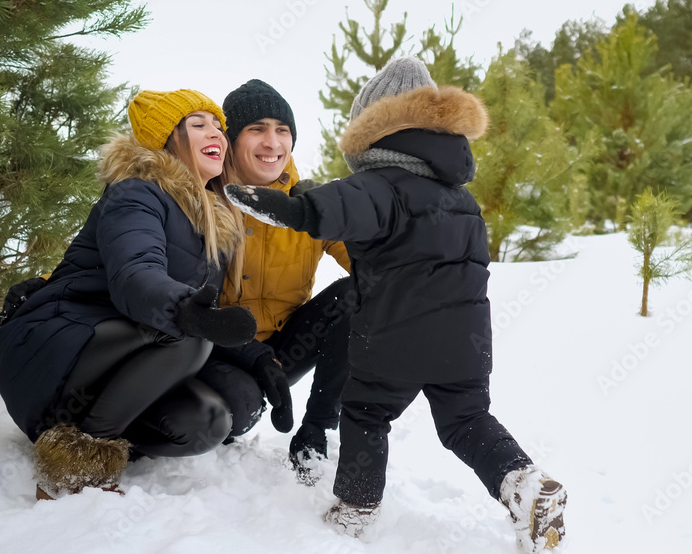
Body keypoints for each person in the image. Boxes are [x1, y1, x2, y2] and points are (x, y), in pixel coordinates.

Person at [224, 58, 568, 553]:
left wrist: (288, 206)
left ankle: (355, 508)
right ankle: (526, 485)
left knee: (366, 411)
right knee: (466, 420)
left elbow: (332, 211)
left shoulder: (379, 185)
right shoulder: (461, 198)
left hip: (393, 336)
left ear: (377, 126)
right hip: (467, 341)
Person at [0, 89, 281, 500]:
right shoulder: (138, 191)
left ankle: (86, 426)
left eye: (218, 125)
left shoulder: (213, 223)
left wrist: (258, 358)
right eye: (198, 124)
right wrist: (188, 312)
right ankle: (75, 464)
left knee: (208, 423)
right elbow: (135, 276)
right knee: (188, 331)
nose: (215, 131)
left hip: (110, 363)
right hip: (57, 344)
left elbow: (206, 312)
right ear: (166, 139)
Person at [200, 79, 352, 482]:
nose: (272, 142)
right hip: (220, 350)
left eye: (282, 130)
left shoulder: (308, 206)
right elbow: (139, 259)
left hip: (286, 347)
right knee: (234, 412)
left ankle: (317, 431)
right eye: (257, 129)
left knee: (360, 294)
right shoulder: (205, 199)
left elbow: (372, 262)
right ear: (230, 140)